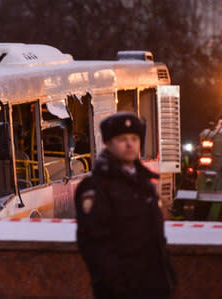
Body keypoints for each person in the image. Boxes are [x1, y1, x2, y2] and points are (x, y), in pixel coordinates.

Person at [74, 112, 177, 299]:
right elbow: (94, 244)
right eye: (122, 139)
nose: (130, 144)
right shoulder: (95, 187)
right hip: (120, 291)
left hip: (155, 287)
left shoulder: (144, 182)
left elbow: (156, 239)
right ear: (107, 143)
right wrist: (116, 286)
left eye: (134, 139)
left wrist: (168, 278)